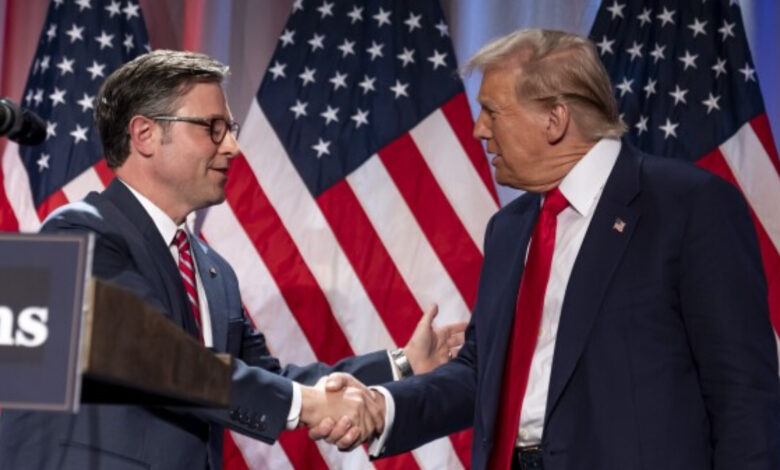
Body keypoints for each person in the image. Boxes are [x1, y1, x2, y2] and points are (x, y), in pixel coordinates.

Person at [314, 29, 780, 469]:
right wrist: (383, 406)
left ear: (554, 119)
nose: (478, 130)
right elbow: (483, 372)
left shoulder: (686, 206)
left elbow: (743, 394)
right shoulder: (509, 229)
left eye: (492, 111)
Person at [0, 50, 465, 470]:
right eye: (213, 129)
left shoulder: (212, 269)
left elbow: (264, 378)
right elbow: (153, 358)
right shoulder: (80, 233)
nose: (231, 147)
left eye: (230, 130)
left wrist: (401, 364)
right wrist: (307, 404)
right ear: (144, 134)